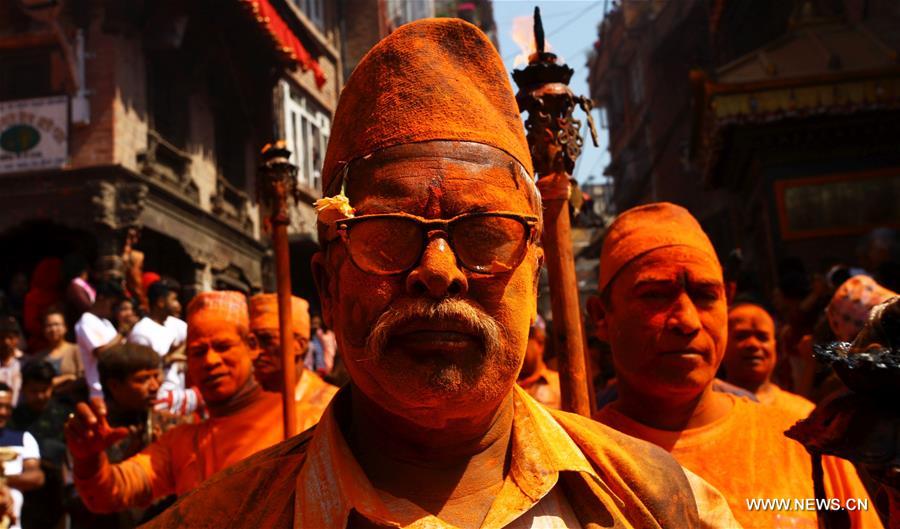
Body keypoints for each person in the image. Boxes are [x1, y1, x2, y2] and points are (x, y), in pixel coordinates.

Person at [145, 20, 739, 528]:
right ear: (328, 287)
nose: (437, 271)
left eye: (483, 236)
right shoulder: (217, 519)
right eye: (389, 234)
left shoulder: (659, 502)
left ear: (534, 276)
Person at [588, 202, 882, 529]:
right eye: (655, 295)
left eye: (705, 295)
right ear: (601, 316)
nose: (687, 321)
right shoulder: (576, 460)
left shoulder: (804, 440)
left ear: (726, 300)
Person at [64, 291, 285, 514]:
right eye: (198, 352)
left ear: (251, 346)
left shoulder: (294, 417)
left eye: (222, 346)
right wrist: (88, 460)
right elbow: (113, 492)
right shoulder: (180, 441)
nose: (210, 361)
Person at [249, 294, 337, 431]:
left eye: (267, 339)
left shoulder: (331, 406)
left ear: (299, 345)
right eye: (251, 342)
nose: (255, 351)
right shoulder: (241, 402)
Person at [723, 303, 814, 418]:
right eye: (741, 336)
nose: (753, 344)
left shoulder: (803, 412)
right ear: (722, 343)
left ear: (775, 346)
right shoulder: (705, 409)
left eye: (762, 337)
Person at [11, 361, 68, 529]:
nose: (40, 396)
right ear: (23, 389)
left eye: (45, 390)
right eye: (34, 391)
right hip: (26, 493)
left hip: (58, 492)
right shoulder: (14, 419)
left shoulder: (64, 415)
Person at [128, 281, 198, 417]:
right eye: (174, 299)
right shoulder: (141, 332)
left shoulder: (175, 324)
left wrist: (183, 352)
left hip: (178, 395)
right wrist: (167, 359)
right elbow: (140, 371)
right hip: (158, 398)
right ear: (161, 302)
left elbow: (195, 334)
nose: (178, 304)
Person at [0, 382, 44, 529]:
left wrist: (3, 481)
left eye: (8, 407)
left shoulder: (23, 439)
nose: (3, 412)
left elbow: (36, 477)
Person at [74, 281, 128, 400]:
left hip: (115, 388)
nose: (115, 309)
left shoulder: (106, 322)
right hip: (100, 392)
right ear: (101, 298)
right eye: (113, 304)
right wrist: (122, 333)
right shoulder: (86, 321)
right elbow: (102, 353)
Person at [34, 308, 84, 396]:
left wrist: (60, 390)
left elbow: (83, 378)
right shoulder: (38, 356)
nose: (53, 329)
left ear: (65, 327)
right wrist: (67, 377)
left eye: (56, 324)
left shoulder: (76, 350)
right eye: (49, 326)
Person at [516, 321, 561, 409]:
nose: (516, 348)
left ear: (540, 343)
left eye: (521, 340)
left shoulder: (558, 385)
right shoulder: (506, 387)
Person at [23, 258, 63, 353]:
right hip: (40, 346)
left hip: (60, 344)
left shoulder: (60, 295)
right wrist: (50, 332)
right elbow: (30, 324)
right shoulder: (33, 297)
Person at [0, 317, 24, 405]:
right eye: (1, 337)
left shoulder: (26, 362)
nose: (6, 342)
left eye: (10, 337)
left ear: (18, 338)